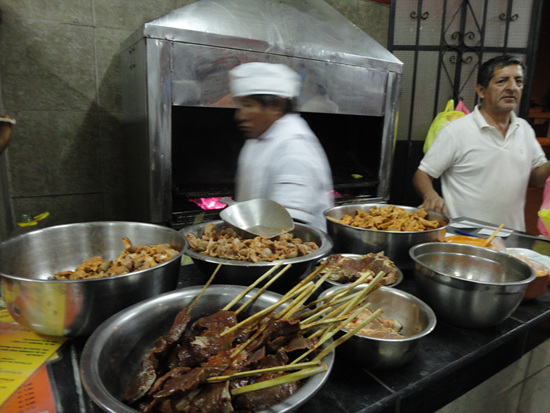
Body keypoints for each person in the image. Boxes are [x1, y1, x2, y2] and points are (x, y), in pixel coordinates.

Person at [412, 55, 550, 232]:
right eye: (502, 81)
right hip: (464, 234)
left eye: (518, 81)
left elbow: (536, 178)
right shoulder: (457, 131)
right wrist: (430, 195)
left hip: (512, 234)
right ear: (481, 91)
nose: (512, 87)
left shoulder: (525, 129)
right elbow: (422, 174)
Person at [228, 62, 334, 231]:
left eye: (248, 106)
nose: (239, 116)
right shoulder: (258, 139)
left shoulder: (295, 147)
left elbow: (288, 230)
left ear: (275, 106)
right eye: (239, 106)